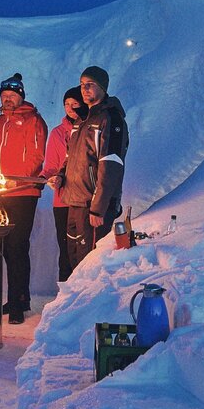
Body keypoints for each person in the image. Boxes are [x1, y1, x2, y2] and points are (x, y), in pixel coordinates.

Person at [0, 73, 47, 325]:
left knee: (17, 246)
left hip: (23, 193)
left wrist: (19, 180)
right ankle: (13, 300)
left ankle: (20, 301)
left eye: (12, 95)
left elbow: (37, 156)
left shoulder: (33, 121)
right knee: (2, 249)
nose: (8, 99)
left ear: (21, 96)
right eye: (4, 96)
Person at [59, 66, 129, 269]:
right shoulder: (81, 121)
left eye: (90, 84)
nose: (84, 89)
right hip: (75, 201)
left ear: (103, 87)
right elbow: (71, 158)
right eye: (82, 84)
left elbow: (111, 165)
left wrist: (98, 209)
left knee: (90, 266)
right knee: (75, 262)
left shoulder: (111, 119)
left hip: (93, 206)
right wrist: (61, 176)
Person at [40, 86, 88, 281]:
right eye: (66, 104)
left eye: (74, 104)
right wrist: (44, 177)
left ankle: (83, 289)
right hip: (62, 200)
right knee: (65, 247)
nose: (70, 108)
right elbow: (51, 164)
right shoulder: (58, 133)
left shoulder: (88, 129)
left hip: (83, 198)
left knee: (83, 248)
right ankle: (64, 294)